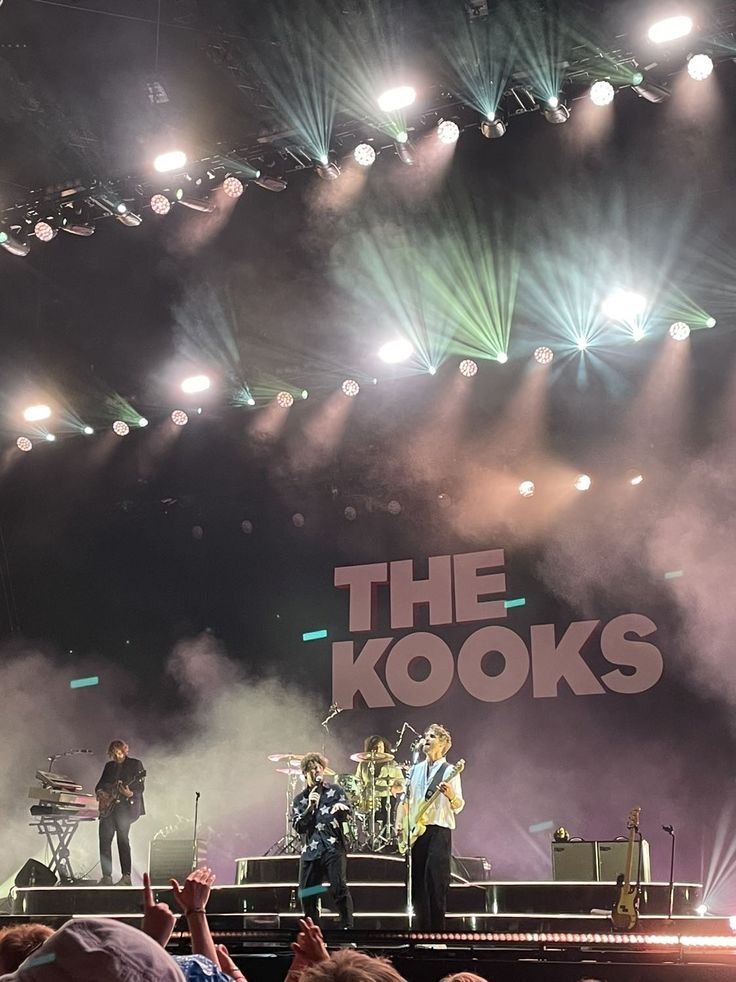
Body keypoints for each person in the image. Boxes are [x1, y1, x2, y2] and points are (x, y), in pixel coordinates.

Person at [395, 723, 464, 932]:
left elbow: (459, 804)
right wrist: (400, 823)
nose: (426, 738)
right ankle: (421, 931)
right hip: (416, 832)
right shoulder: (414, 770)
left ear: (443, 744)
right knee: (417, 884)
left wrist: (450, 795)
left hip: (439, 830)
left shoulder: (450, 771)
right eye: (426, 735)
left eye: (432, 736)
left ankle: (437, 934)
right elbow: (404, 801)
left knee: (435, 881)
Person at [291, 752, 354, 929]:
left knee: (339, 888)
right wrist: (310, 806)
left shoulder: (335, 791)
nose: (316, 771)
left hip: (333, 848)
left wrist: (342, 809)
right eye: (312, 768)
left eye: (319, 768)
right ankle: (313, 932)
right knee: (308, 893)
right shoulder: (300, 800)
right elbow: (299, 826)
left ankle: (348, 931)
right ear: (305, 773)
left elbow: (347, 812)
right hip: (311, 853)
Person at [95, 740, 146, 886]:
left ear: (125, 750)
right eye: (113, 754)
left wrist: (130, 793)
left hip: (125, 808)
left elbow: (140, 788)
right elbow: (100, 784)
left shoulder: (135, 764)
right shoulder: (109, 766)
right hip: (108, 809)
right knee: (104, 839)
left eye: (118, 753)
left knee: (122, 839)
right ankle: (107, 876)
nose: (116, 757)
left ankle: (126, 877)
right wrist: (101, 793)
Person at [354, 735, 405, 839]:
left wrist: (395, 788)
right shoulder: (363, 764)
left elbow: (402, 783)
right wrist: (359, 789)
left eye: (380, 747)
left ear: (384, 748)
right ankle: (367, 840)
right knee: (365, 820)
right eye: (375, 748)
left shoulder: (392, 764)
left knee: (387, 819)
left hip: (386, 797)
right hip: (368, 798)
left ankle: (386, 840)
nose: (378, 750)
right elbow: (357, 780)